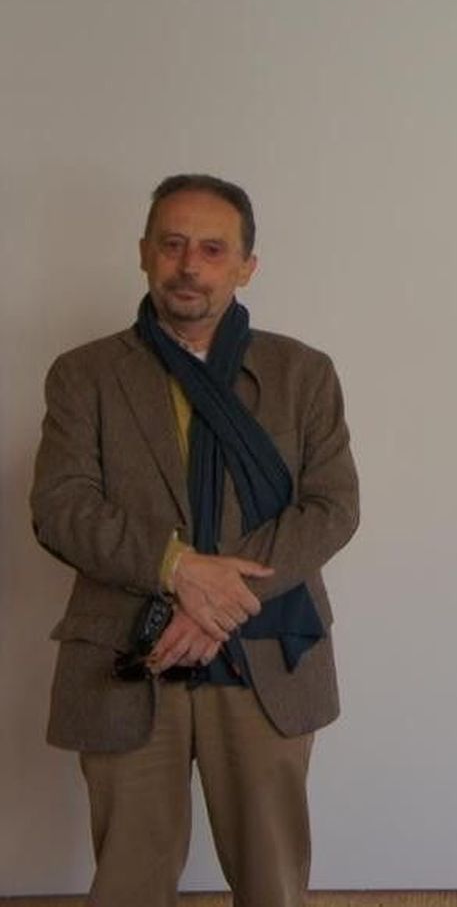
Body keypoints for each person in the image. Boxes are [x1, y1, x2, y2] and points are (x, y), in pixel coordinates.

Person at [30, 173, 359, 907]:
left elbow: (331, 507)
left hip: (267, 649)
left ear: (246, 266)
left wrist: (218, 598)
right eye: (173, 244)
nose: (190, 264)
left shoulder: (302, 374)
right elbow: (60, 507)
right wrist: (176, 568)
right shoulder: (84, 375)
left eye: (213, 249)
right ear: (145, 253)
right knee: (128, 885)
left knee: (273, 885)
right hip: (128, 648)